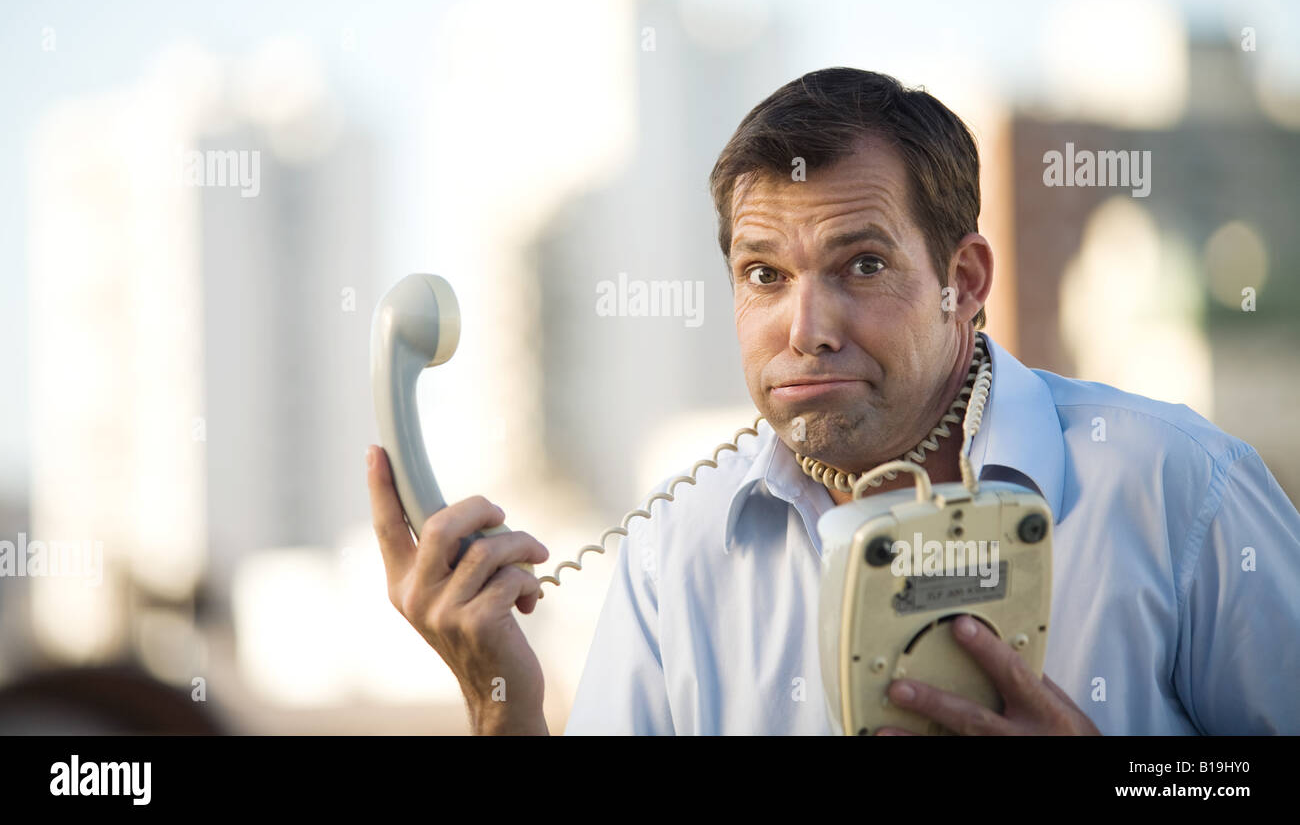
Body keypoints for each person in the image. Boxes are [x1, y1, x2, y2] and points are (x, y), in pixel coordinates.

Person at [366, 68, 1300, 735]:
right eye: (763, 273)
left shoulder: (1180, 486)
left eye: (861, 264)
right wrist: (502, 705)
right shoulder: (673, 553)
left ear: (963, 279)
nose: (804, 326)